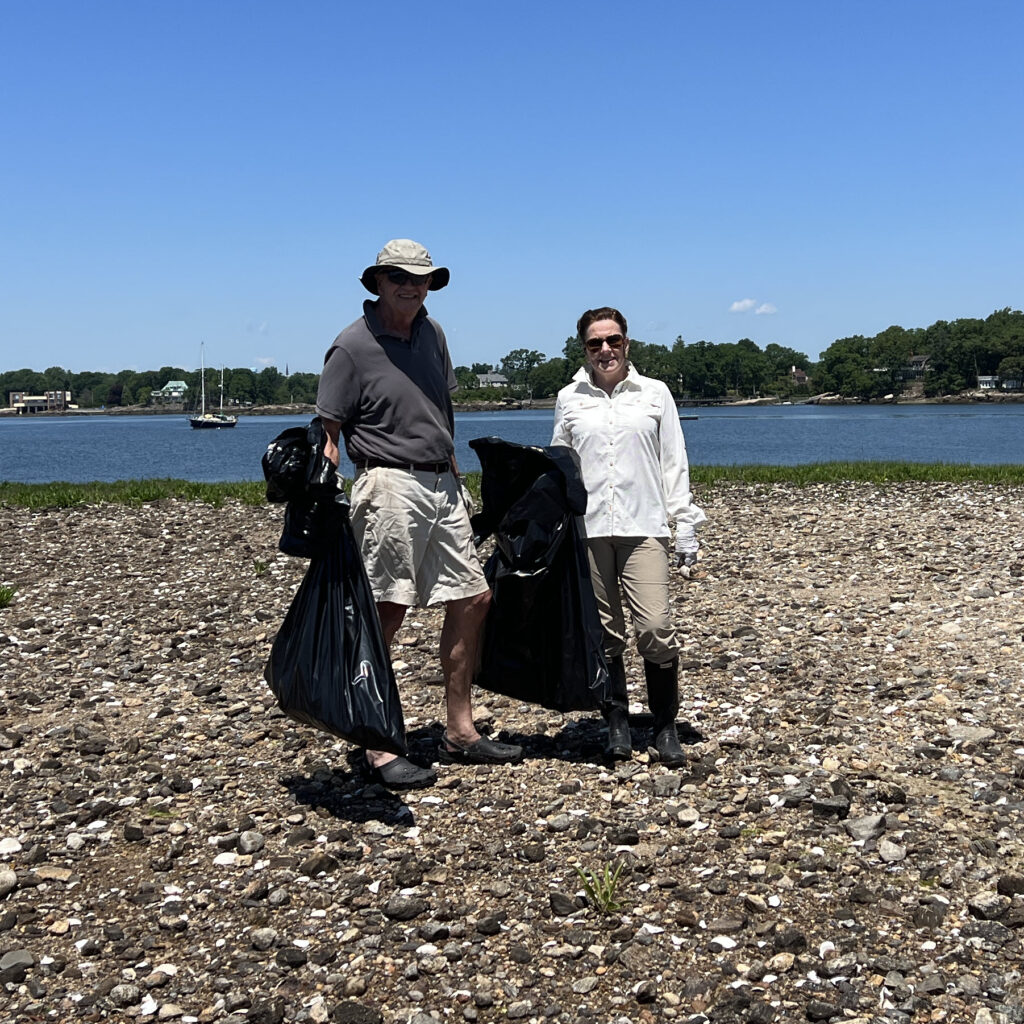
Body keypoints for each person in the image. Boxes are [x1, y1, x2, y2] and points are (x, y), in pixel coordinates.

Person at [315, 239, 523, 788]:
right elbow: (329, 433)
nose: (411, 286)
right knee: (386, 611)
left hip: (442, 481)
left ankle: (460, 730)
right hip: (386, 483)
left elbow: (440, 411)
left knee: (474, 598)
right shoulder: (351, 346)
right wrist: (324, 494)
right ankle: (375, 744)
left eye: (421, 277)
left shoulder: (433, 335)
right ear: (377, 282)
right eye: (399, 277)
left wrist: (456, 475)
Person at [551, 306, 706, 767]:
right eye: (595, 343)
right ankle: (616, 721)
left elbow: (673, 461)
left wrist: (686, 526)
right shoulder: (569, 398)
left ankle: (664, 726)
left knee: (656, 627)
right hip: (589, 529)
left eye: (613, 340)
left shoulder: (655, 394)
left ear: (627, 343)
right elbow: (561, 466)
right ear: (583, 348)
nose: (605, 350)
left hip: (646, 527)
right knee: (604, 633)